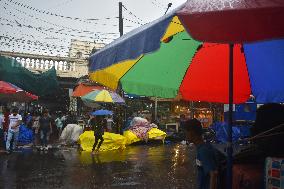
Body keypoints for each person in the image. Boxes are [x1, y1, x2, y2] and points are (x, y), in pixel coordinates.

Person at [184, 118, 219, 189]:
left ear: (191, 133)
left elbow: (214, 174)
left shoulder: (203, 150)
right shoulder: (203, 147)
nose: (185, 135)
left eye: (186, 132)